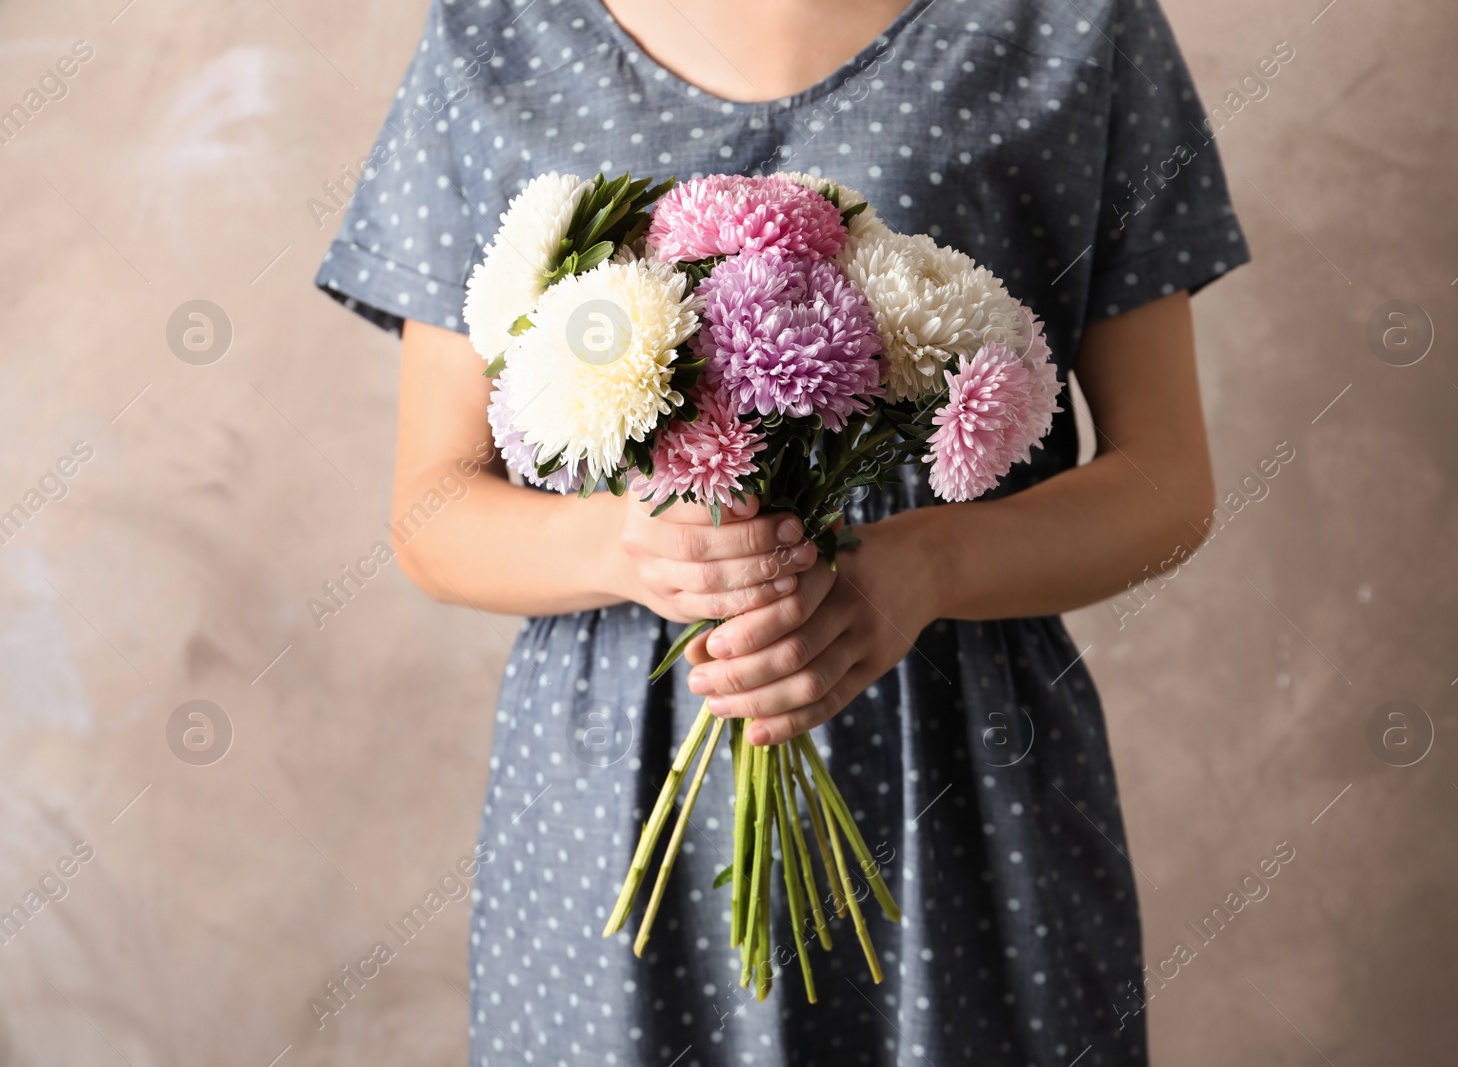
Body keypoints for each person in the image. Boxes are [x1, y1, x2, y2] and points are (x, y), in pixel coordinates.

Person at [315, 0, 1248, 1062]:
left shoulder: (1074, 22)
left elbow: (1167, 483)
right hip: (611, 798)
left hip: (964, 784)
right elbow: (431, 508)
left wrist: (927, 565)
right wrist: (622, 543)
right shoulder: (498, 29)